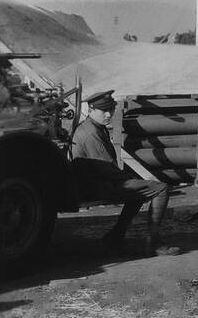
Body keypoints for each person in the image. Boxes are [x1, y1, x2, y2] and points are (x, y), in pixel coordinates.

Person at [70, 92, 179, 257]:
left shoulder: (94, 126)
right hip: (95, 186)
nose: (108, 115)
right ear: (91, 110)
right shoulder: (91, 133)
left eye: (111, 110)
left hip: (96, 182)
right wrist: (133, 179)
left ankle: (115, 236)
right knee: (161, 189)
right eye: (103, 110)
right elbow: (108, 170)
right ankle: (154, 243)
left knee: (140, 190)